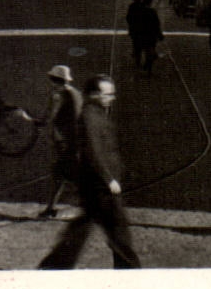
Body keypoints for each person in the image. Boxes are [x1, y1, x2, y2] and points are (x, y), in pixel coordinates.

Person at [38, 75, 141, 268]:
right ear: (94, 94)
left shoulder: (96, 113)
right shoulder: (90, 116)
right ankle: (130, 272)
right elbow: (93, 150)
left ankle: (53, 266)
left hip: (95, 185)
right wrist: (109, 179)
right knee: (119, 235)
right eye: (108, 94)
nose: (113, 97)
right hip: (100, 186)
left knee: (83, 229)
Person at [36, 64, 83, 219]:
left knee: (63, 175)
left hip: (65, 141)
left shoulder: (59, 94)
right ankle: (51, 208)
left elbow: (52, 115)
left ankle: (51, 209)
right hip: (77, 140)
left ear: (54, 80)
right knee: (63, 175)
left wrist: (39, 122)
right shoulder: (76, 93)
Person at [125, 0, 163, 74]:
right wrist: (159, 34)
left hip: (140, 34)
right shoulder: (152, 11)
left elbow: (130, 19)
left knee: (139, 48)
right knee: (150, 50)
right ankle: (147, 64)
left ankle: (140, 61)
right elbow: (157, 24)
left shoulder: (138, 10)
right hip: (150, 35)